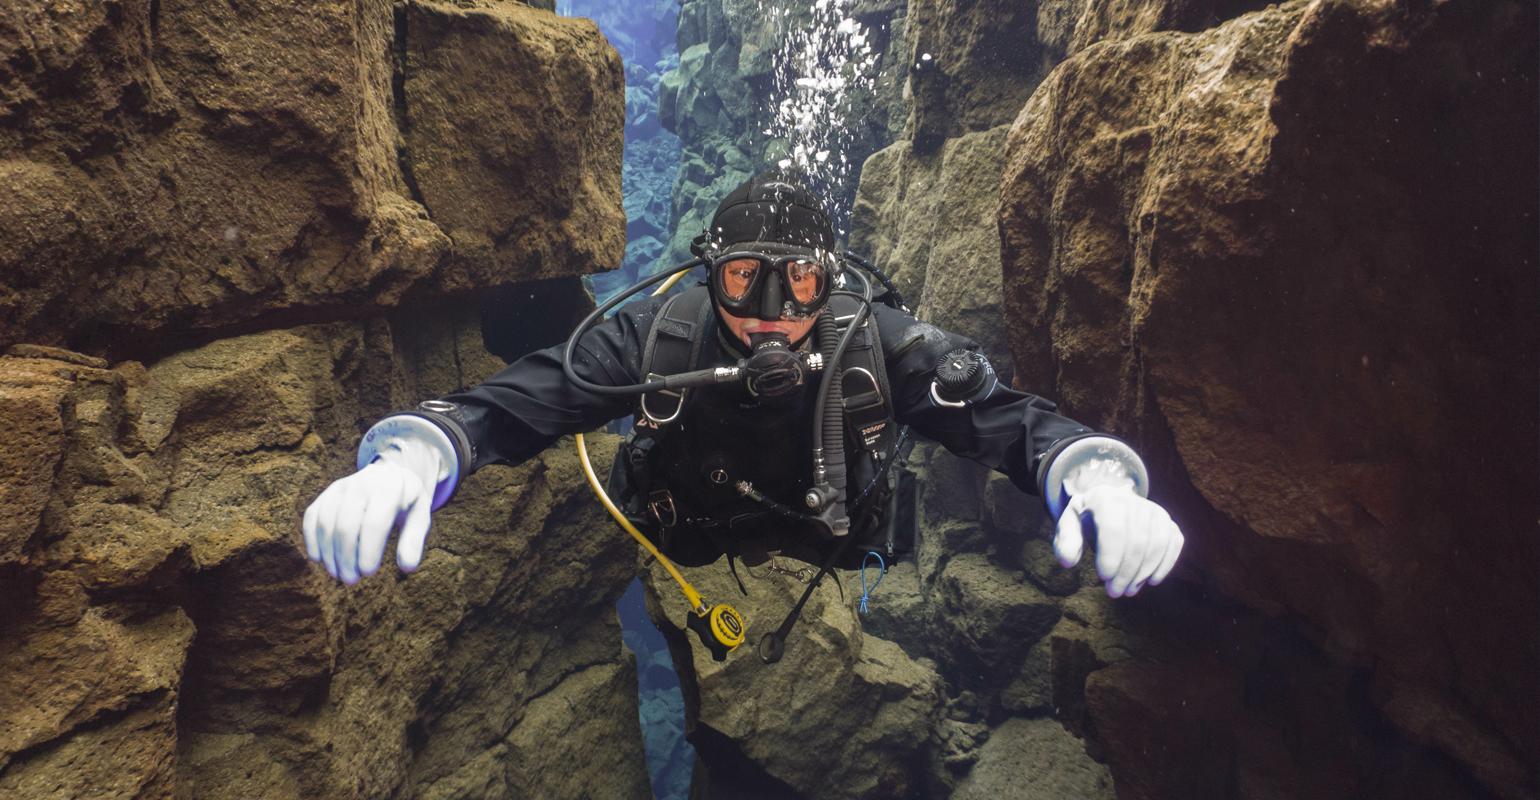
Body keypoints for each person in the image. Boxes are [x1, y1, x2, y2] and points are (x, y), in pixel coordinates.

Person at [302, 171, 1184, 630]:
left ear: (831, 286)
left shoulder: (881, 345)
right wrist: (419, 451)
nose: (771, 314)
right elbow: (518, 401)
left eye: (798, 283)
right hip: (690, 534)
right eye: (741, 279)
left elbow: (1009, 421)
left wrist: (1098, 475)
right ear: (704, 275)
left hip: (838, 543)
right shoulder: (657, 339)